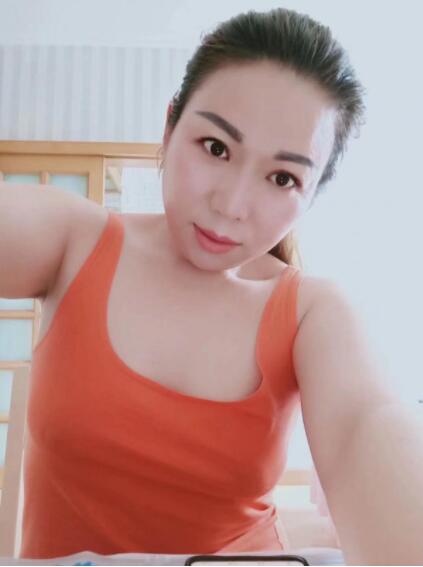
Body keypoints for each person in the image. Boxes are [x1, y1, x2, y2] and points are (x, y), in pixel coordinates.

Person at [1, 6, 422, 565]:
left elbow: (365, 426)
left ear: (312, 194)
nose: (231, 204)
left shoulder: (311, 311)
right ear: (170, 127)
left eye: (282, 178)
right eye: (216, 147)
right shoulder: (74, 240)